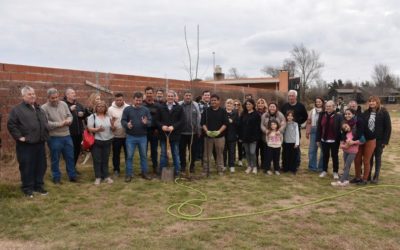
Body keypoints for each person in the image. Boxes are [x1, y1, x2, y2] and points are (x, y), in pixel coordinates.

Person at [7, 86, 49, 197]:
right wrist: (19, 137)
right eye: (29, 94)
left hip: (40, 142)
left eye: (33, 93)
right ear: (23, 96)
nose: (32, 96)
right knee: (27, 166)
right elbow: (11, 125)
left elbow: (44, 122)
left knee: (41, 165)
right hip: (26, 145)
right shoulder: (17, 110)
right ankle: (27, 188)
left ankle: (38, 186)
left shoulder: (39, 108)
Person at [41, 88, 77, 184]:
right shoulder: (43, 108)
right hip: (54, 137)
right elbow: (46, 123)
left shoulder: (64, 104)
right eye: (53, 98)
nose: (55, 99)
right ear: (48, 98)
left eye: (57, 97)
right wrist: (60, 124)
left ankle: (72, 176)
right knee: (55, 158)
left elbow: (70, 115)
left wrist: (69, 120)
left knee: (70, 157)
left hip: (67, 135)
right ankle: (56, 177)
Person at [121, 92, 152, 182]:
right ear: (133, 99)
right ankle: (129, 174)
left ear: (142, 100)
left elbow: (150, 121)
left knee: (143, 156)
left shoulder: (145, 110)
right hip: (131, 137)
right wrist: (127, 124)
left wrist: (146, 123)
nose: (138, 102)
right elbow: (123, 120)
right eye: (137, 100)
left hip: (143, 137)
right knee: (129, 156)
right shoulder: (127, 109)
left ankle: (144, 173)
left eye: (140, 100)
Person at [156, 90, 184, 177]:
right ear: (166, 97)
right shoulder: (161, 107)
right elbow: (156, 120)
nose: (170, 97)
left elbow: (182, 121)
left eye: (172, 96)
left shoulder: (179, 108)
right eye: (169, 96)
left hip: (174, 135)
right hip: (164, 135)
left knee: (175, 153)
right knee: (163, 153)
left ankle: (177, 171)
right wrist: (162, 126)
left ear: (174, 97)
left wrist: (174, 127)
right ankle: (162, 171)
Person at [87, 101, 116, 185]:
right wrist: (97, 130)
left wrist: (113, 125)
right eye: (99, 106)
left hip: (108, 140)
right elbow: (89, 128)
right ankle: (98, 177)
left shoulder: (108, 117)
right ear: (96, 107)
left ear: (105, 108)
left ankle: (106, 176)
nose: (100, 108)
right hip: (96, 141)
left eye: (102, 106)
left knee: (105, 159)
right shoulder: (92, 117)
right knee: (97, 160)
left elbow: (113, 129)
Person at [331, 109, 361, 187]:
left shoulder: (356, 127)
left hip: (352, 151)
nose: (347, 115)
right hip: (345, 150)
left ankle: (341, 181)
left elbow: (362, 140)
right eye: (345, 114)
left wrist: (353, 142)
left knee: (347, 166)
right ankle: (346, 179)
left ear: (353, 115)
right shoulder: (344, 126)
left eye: (349, 114)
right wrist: (344, 146)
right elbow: (342, 140)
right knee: (345, 165)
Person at [201, 94, 228, 176]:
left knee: (219, 154)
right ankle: (206, 170)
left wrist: (219, 131)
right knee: (206, 154)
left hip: (219, 137)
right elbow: (202, 123)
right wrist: (207, 131)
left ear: (218, 101)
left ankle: (220, 169)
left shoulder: (223, 111)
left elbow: (225, 123)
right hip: (208, 136)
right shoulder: (206, 111)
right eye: (212, 100)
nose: (213, 102)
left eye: (215, 100)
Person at [281, 90, 308, 170]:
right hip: (286, 130)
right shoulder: (285, 106)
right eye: (289, 96)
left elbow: (305, 116)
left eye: (292, 96)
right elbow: (282, 117)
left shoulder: (301, 106)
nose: (291, 97)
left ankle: (296, 164)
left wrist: (298, 123)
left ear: (296, 97)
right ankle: (285, 165)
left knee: (295, 147)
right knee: (285, 148)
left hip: (296, 129)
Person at [316, 100, 343, 179]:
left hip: (334, 140)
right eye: (327, 106)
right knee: (325, 156)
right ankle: (324, 170)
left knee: (335, 156)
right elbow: (319, 128)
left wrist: (342, 139)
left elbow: (341, 128)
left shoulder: (338, 116)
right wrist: (318, 139)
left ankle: (335, 172)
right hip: (324, 140)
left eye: (330, 106)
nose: (328, 107)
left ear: (334, 107)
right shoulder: (322, 115)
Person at [63, 88, 87, 173]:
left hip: (78, 132)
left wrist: (82, 114)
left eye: (74, 92)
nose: (74, 94)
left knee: (77, 151)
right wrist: (70, 109)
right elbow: (61, 115)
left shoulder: (78, 104)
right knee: (69, 152)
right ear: (67, 95)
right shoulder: (63, 104)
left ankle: (73, 167)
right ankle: (70, 169)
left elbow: (84, 116)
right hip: (68, 133)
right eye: (72, 93)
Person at [368, 96, 391, 184]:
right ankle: (368, 174)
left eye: (373, 101)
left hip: (379, 140)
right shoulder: (367, 112)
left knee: (377, 158)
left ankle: (376, 176)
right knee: (369, 158)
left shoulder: (384, 112)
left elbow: (388, 127)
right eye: (370, 101)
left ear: (377, 102)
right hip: (369, 140)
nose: (371, 103)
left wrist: (385, 141)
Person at [179, 91, 201, 174]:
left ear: (192, 96)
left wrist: (198, 129)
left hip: (193, 133)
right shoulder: (179, 105)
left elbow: (199, 117)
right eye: (186, 95)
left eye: (189, 95)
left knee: (193, 151)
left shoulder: (195, 105)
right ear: (183, 96)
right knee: (182, 151)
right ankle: (183, 166)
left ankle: (192, 166)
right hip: (182, 133)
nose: (188, 97)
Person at [108, 93, 129, 177]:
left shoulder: (128, 107)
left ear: (123, 99)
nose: (119, 101)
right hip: (116, 136)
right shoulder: (110, 109)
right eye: (117, 100)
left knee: (128, 154)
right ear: (115, 100)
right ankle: (116, 169)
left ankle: (128, 169)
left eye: (120, 100)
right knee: (116, 154)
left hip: (127, 136)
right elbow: (109, 122)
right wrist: (112, 125)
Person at [260, 102, 286, 172]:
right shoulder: (264, 115)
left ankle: (276, 168)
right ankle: (266, 167)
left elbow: (283, 124)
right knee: (267, 154)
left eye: (273, 107)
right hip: (267, 138)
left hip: (277, 138)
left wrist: (279, 131)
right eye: (270, 106)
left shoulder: (280, 115)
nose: (272, 108)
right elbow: (262, 125)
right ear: (268, 107)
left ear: (276, 108)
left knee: (276, 155)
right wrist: (265, 131)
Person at [239, 99, 261, 174]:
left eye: (249, 104)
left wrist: (256, 137)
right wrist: (241, 137)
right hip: (245, 137)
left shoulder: (256, 114)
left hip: (253, 137)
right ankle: (249, 166)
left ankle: (254, 166)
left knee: (252, 152)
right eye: (247, 104)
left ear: (253, 105)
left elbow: (258, 127)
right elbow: (241, 126)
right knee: (247, 152)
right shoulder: (243, 114)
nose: (248, 105)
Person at [143, 87, 162, 175]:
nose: (149, 95)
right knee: (144, 150)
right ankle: (144, 168)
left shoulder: (158, 105)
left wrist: (158, 129)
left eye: (151, 93)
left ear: (153, 94)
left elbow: (161, 118)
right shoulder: (142, 105)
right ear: (145, 94)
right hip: (144, 131)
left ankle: (155, 167)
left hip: (155, 131)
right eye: (148, 93)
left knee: (154, 150)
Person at [306, 97, 324, 172]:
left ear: (322, 102)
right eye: (317, 102)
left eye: (319, 102)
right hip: (313, 130)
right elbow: (309, 122)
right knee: (312, 149)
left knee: (323, 149)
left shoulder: (325, 111)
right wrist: (307, 131)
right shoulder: (311, 111)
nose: (318, 103)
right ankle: (312, 167)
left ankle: (321, 167)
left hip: (323, 131)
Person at [223, 99, 239, 173]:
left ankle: (231, 165)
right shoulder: (222, 112)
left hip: (232, 135)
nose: (229, 104)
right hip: (223, 135)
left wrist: (233, 122)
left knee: (232, 151)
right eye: (228, 103)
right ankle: (224, 165)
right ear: (225, 104)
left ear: (233, 105)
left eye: (230, 103)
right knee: (224, 151)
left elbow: (238, 123)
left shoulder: (235, 113)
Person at [255, 98, 267, 171]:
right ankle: (256, 165)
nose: (260, 104)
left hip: (264, 134)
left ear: (264, 104)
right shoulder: (255, 112)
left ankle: (263, 164)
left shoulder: (267, 113)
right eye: (259, 103)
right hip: (256, 135)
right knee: (255, 151)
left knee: (264, 151)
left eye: (262, 103)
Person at [233, 99, 244, 167]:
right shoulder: (231, 112)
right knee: (233, 147)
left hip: (240, 133)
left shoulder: (242, 113)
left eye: (238, 104)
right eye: (235, 104)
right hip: (233, 132)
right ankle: (233, 160)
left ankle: (240, 160)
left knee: (240, 147)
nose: (236, 106)